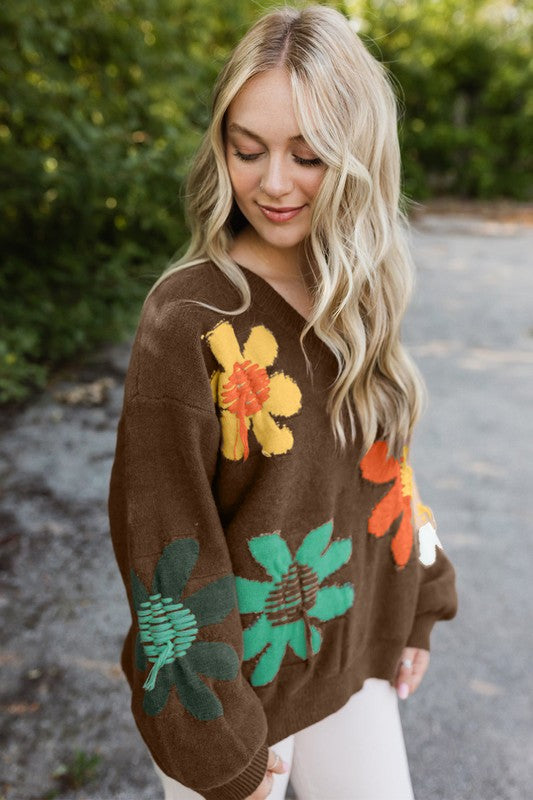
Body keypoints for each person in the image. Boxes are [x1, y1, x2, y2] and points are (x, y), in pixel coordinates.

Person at [107, 4, 459, 799]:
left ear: (358, 153)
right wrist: (220, 743)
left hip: (342, 659)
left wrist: (420, 602)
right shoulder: (189, 319)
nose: (273, 182)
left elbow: (382, 473)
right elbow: (161, 540)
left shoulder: (356, 300)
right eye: (248, 149)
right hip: (228, 698)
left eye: (307, 155)